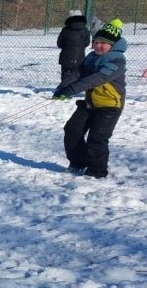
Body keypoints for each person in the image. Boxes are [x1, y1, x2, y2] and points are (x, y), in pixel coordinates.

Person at [52, 18, 127, 179]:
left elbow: (97, 78)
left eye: (103, 43)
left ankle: (97, 172)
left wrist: (72, 90)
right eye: (96, 42)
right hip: (90, 103)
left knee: (97, 138)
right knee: (72, 130)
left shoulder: (117, 61)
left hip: (109, 107)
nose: (98, 45)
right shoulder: (91, 57)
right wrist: (62, 88)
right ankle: (78, 162)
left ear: (112, 45)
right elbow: (78, 73)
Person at [56, 11, 91, 89]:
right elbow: (87, 43)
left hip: (66, 55)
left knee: (65, 72)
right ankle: (72, 88)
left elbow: (59, 43)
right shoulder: (85, 30)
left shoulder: (65, 30)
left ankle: (63, 88)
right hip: (79, 56)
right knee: (76, 73)